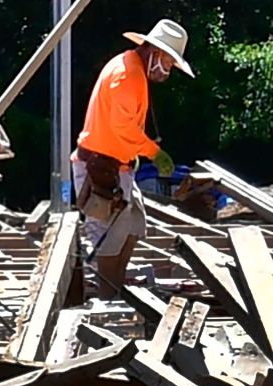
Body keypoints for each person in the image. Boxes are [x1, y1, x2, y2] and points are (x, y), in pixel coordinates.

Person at [72, 19, 193, 295]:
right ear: (155, 52)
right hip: (101, 169)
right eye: (168, 63)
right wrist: (154, 152)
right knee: (109, 238)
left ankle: (115, 287)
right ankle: (108, 295)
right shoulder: (127, 76)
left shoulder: (132, 69)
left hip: (117, 167)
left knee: (133, 226)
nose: (167, 72)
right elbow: (122, 127)